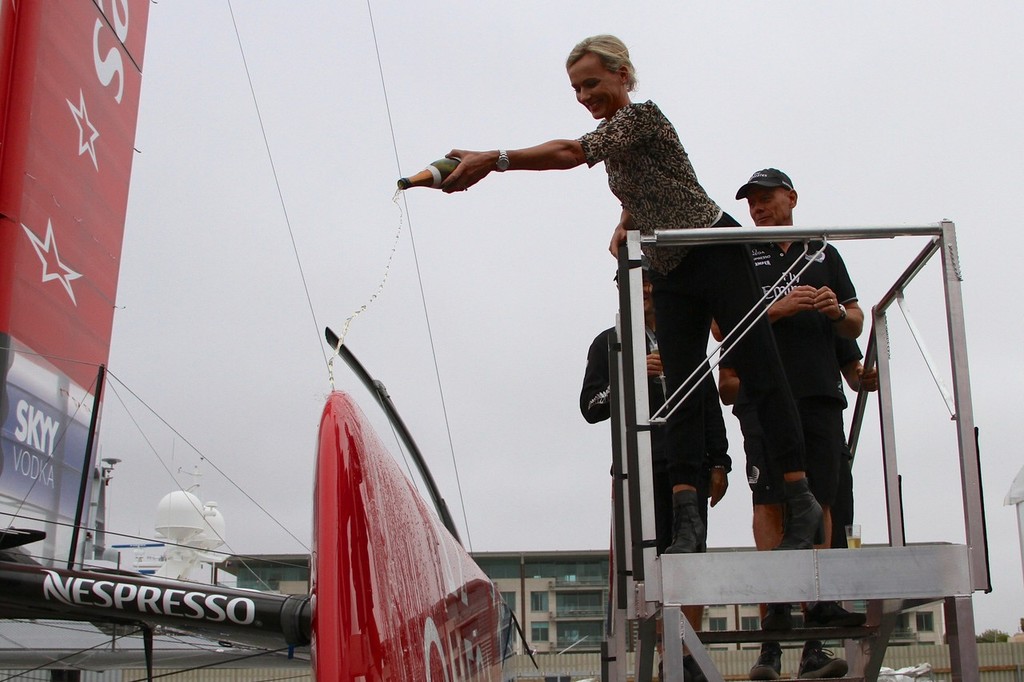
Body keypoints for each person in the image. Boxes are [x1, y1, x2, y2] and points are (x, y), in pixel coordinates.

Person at [442, 35, 820, 557]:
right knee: (680, 386)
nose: (583, 96)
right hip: (669, 268)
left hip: (712, 249)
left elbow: (572, 153)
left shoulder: (643, 117)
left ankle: (802, 500)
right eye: (576, 88)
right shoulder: (617, 141)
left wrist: (495, 159)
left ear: (623, 75)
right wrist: (625, 222)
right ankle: (686, 521)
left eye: (591, 83)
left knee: (760, 368)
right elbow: (643, 186)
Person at [718, 168, 865, 680]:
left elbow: (854, 319)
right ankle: (770, 643)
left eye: (766, 198)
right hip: (763, 396)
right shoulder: (740, 251)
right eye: (751, 201)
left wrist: (831, 310)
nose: (758, 207)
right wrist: (775, 309)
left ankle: (814, 641)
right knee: (771, 504)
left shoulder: (822, 250)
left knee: (822, 502)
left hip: (820, 394)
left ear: (791, 198)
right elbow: (722, 327)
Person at [580, 271, 728, 682]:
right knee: (650, 568)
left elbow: (707, 398)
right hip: (638, 470)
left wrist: (720, 460)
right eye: (638, 283)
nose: (646, 291)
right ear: (622, 289)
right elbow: (590, 406)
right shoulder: (609, 342)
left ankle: (684, 654)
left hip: (690, 467)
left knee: (691, 560)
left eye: (652, 282)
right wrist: (629, 376)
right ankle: (666, 652)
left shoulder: (686, 333)